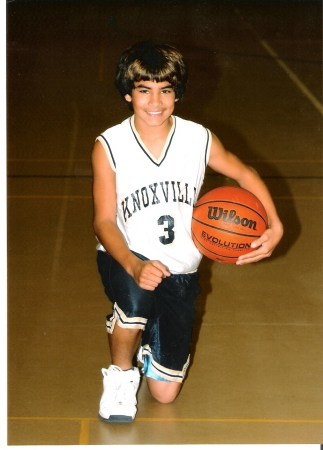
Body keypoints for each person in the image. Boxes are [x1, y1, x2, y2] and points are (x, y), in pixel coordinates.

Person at [91, 41, 283, 423]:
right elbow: (104, 221)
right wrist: (131, 264)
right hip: (126, 255)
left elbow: (245, 174)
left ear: (177, 93)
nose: (155, 102)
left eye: (165, 90)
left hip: (182, 268)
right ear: (128, 94)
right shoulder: (109, 145)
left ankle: (149, 347)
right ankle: (121, 375)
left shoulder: (198, 139)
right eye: (144, 90)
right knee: (134, 304)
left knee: (164, 394)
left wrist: (275, 226)